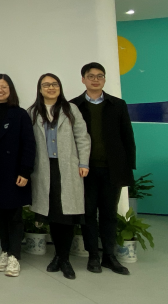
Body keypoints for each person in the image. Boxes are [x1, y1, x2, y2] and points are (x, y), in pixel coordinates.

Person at [70, 62, 135, 275]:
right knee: (88, 214)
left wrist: (128, 167)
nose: (95, 80)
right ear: (83, 79)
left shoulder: (118, 104)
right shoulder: (73, 106)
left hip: (112, 169)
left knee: (109, 214)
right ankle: (93, 256)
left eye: (100, 76)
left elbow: (127, 137)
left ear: (104, 79)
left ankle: (109, 256)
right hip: (84, 171)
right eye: (91, 76)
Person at [28, 73, 90, 280]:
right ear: (40, 89)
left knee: (67, 216)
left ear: (60, 87)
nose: (51, 88)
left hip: (68, 168)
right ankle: (58, 255)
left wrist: (83, 163)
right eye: (46, 85)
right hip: (44, 169)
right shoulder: (32, 112)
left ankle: (64, 259)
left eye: (54, 84)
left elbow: (82, 137)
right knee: (53, 215)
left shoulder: (71, 109)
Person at [0, 74, 36, 278]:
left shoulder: (20, 114)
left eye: (4, 87)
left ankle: (15, 256)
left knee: (14, 215)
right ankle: (5, 251)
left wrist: (25, 171)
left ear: (10, 90)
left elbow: (29, 144)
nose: (0, 90)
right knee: (0, 213)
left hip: (13, 173)